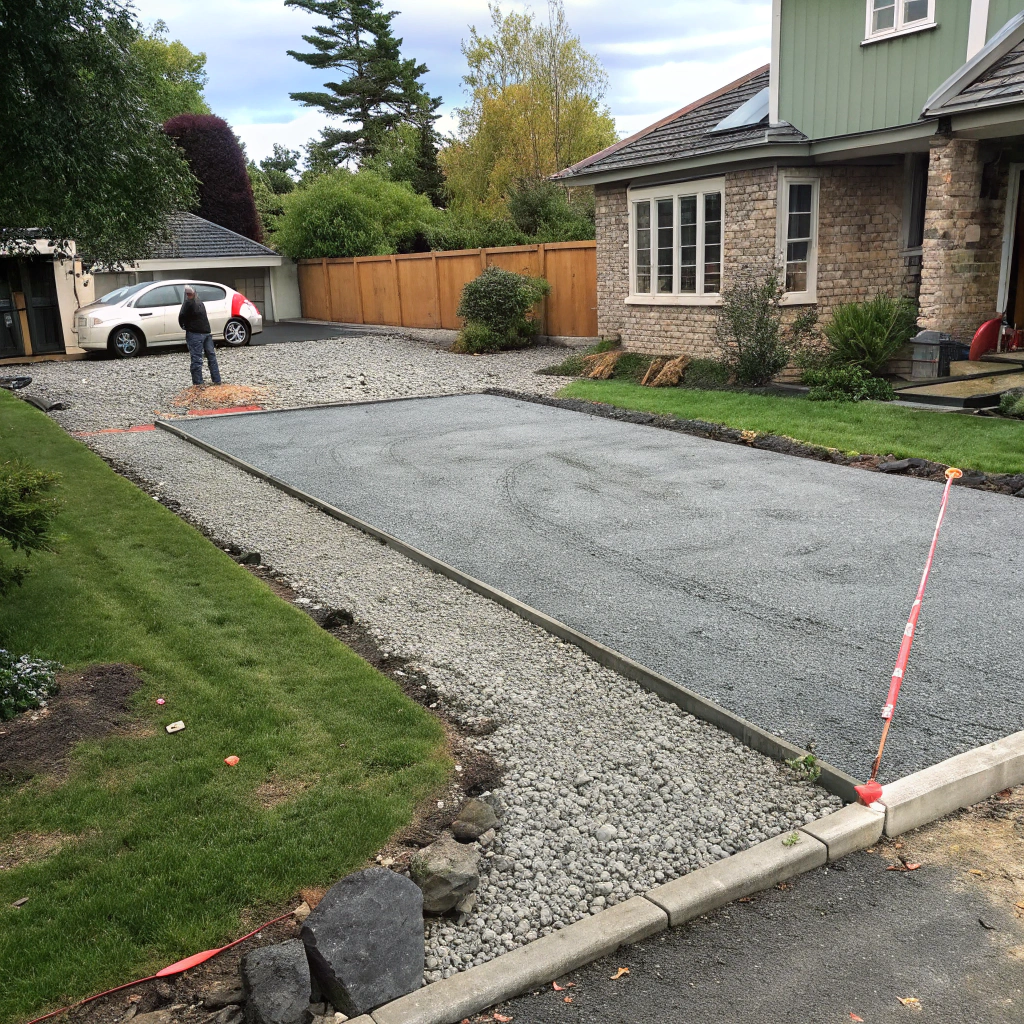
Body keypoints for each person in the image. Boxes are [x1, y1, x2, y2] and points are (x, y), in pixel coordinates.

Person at [178, 285, 222, 386]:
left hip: (202, 332)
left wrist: (186, 327)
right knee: (200, 359)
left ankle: (213, 381)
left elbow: (182, 318)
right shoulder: (190, 303)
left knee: (207, 357)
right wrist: (188, 327)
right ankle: (200, 383)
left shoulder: (193, 303)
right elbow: (182, 318)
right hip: (197, 333)